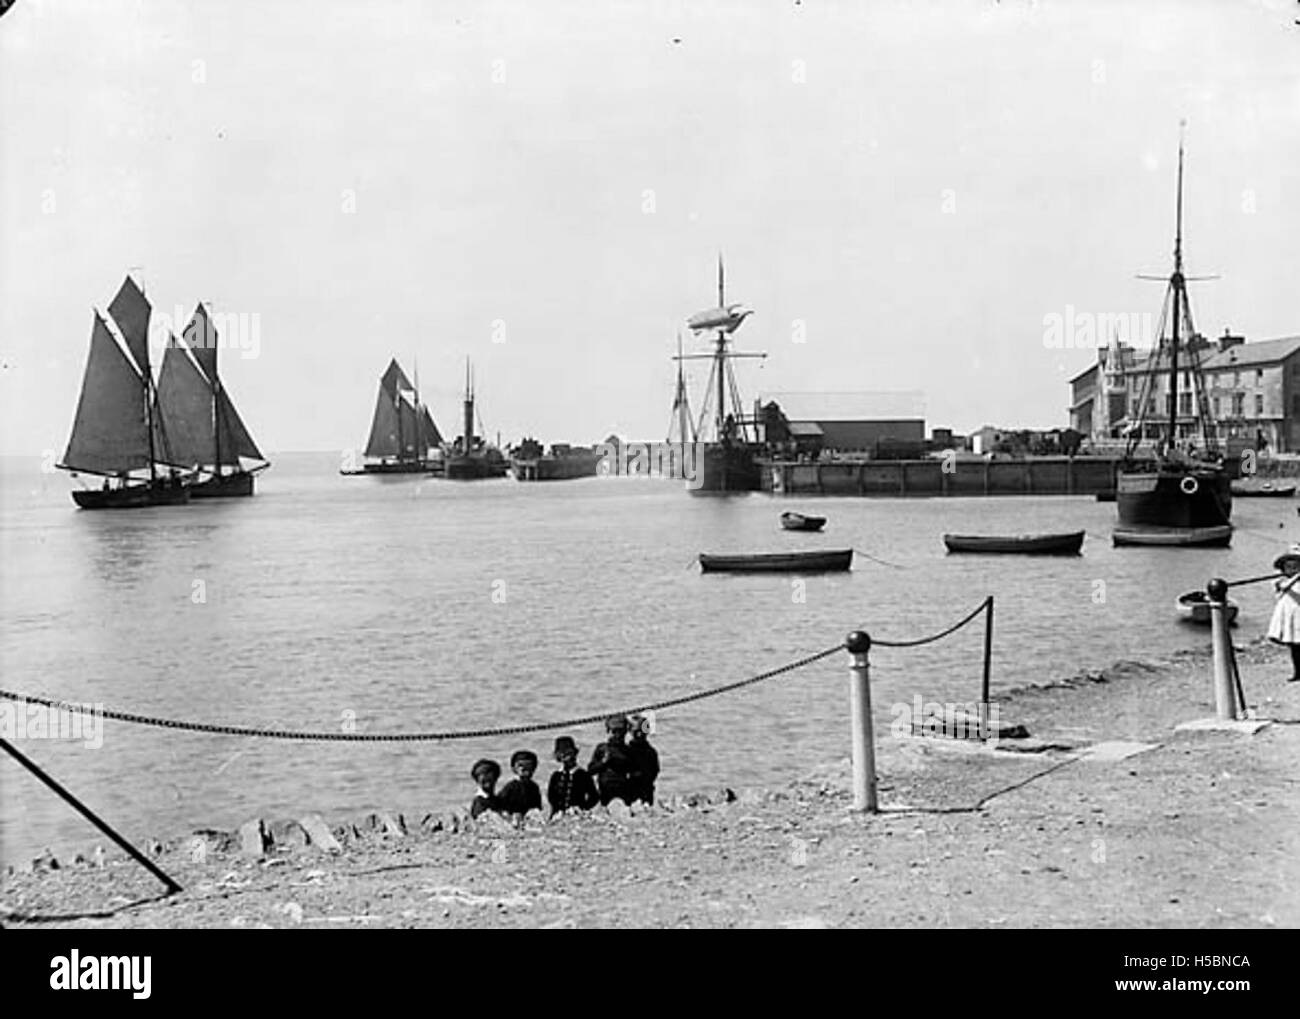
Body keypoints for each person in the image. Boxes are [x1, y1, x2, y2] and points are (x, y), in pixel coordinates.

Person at [1267, 549, 1300, 682]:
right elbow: (1285, 587)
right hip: (1288, 615)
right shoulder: (1279, 580)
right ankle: (1297, 672)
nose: (1292, 569)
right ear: (1284, 568)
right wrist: (1296, 576)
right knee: (1294, 647)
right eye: (1289, 567)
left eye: (1296, 567)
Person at [587, 714, 635, 806]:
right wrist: (603, 762)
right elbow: (590, 770)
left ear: (625, 732)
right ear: (609, 731)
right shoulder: (602, 748)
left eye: (621, 731)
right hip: (605, 791)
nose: (618, 735)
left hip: (623, 791)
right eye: (615, 731)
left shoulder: (628, 750)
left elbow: (634, 771)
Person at [546, 735, 598, 816]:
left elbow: (594, 796)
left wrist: (583, 808)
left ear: (575, 754)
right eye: (562, 754)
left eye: (569, 753)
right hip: (558, 814)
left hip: (578, 814)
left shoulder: (583, 775)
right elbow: (551, 796)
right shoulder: (556, 775)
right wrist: (557, 809)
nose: (567, 757)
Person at [626, 713, 660, 805]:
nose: (640, 735)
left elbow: (655, 770)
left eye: (642, 733)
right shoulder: (627, 750)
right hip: (633, 787)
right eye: (637, 732)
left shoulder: (650, 751)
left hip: (644, 787)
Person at [496, 749, 542, 819]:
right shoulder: (510, 788)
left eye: (529, 766)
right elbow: (500, 807)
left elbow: (537, 807)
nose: (524, 768)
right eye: (520, 765)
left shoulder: (534, 787)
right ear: (514, 768)